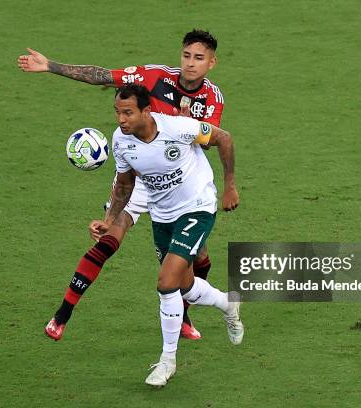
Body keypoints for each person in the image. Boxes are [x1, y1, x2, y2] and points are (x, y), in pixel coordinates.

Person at [18, 29, 224, 340]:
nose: (190, 64)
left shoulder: (212, 97)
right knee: (108, 236)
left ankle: (183, 317)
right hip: (136, 176)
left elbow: (210, 141)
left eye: (198, 58)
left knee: (197, 258)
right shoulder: (154, 77)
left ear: (211, 63)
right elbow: (102, 76)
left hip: (178, 183)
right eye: (186, 56)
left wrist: (187, 121)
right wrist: (50, 66)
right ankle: (62, 315)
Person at [93, 84, 243, 387]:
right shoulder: (121, 141)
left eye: (128, 112)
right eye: (117, 112)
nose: (121, 119)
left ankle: (167, 361)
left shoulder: (179, 128)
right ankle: (229, 304)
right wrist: (110, 220)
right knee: (184, 286)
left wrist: (229, 186)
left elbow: (223, 138)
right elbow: (124, 184)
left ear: (146, 111)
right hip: (162, 217)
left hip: (197, 208)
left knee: (166, 282)